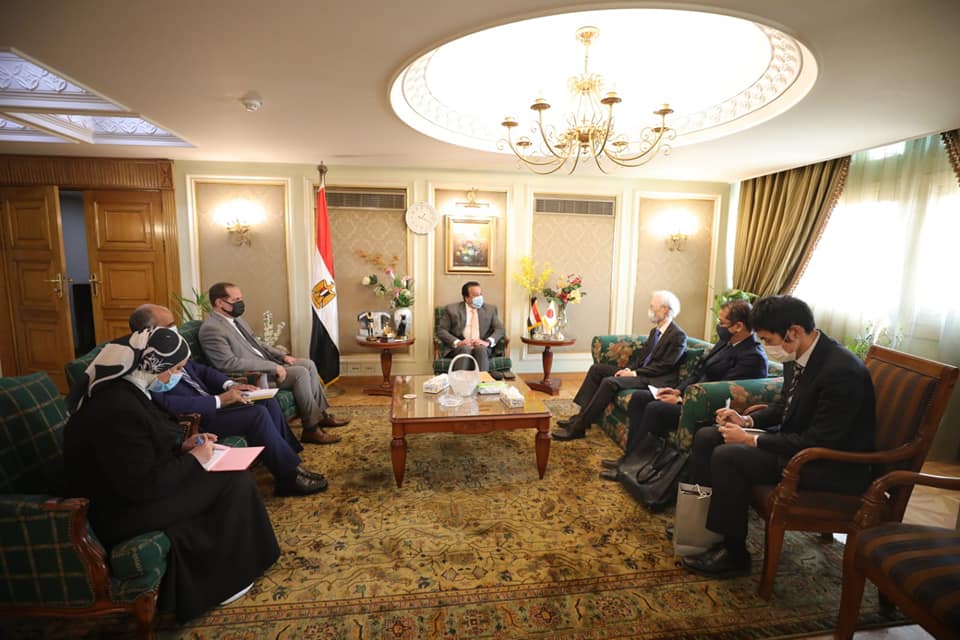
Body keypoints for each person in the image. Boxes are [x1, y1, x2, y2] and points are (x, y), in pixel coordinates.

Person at [63, 327, 280, 623]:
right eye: (176, 369)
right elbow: (140, 485)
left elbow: (143, 451)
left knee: (232, 473)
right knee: (234, 480)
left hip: (137, 494)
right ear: (154, 364)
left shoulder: (129, 391)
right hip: (121, 512)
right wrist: (193, 460)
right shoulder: (117, 408)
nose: (177, 375)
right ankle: (224, 582)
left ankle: (236, 566)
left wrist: (183, 447)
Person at [680, 295, 876, 578]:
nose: (766, 347)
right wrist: (746, 421)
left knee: (728, 455)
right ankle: (699, 526)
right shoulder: (797, 354)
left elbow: (818, 441)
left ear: (793, 332)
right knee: (708, 436)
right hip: (800, 444)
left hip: (830, 465)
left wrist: (750, 439)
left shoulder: (841, 371)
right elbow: (786, 405)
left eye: (767, 340)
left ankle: (734, 555)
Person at [130, 304, 328, 496]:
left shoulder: (171, 349)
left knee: (265, 399)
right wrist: (219, 400)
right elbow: (167, 404)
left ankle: (291, 464)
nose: (176, 328)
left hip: (212, 401)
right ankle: (288, 478)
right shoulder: (146, 363)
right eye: (170, 325)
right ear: (149, 331)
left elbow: (202, 371)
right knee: (256, 415)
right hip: (196, 418)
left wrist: (229, 385)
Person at [599, 300, 768, 480]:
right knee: (640, 398)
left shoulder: (752, 357)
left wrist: (681, 401)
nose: (718, 326)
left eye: (722, 322)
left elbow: (724, 391)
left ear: (738, 326)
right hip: (691, 396)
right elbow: (698, 372)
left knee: (656, 408)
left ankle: (634, 470)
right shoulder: (725, 343)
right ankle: (629, 459)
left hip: (707, 408)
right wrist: (677, 391)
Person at [199, 282, 348, 445]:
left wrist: (282, 357)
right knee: (300, 373)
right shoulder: (211, 329)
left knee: (308, 364)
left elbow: (258, 344)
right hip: (254, 376)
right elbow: (228, 363)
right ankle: (311, 429)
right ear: (220, 303)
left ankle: (321, 415)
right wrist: (272, 367)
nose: (241, 303)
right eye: (236, 300)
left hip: (266, 364)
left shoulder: (237, 319)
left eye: (241, 299)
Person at [553, 290, 688, 441]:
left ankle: (579, 427)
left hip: (654, 380)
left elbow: (665, 366)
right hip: (640, 373)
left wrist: (634, 374)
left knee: (609, 382)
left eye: (653, 307)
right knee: (597, 369)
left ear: (665, 309)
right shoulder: (655, 332)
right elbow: (642, 357)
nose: (650, 311)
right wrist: (629, 369)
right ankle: (580, 416)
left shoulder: (678, 335)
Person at [436, 281, 506, 378]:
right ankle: (459, 382)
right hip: (461, 347)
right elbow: (441, 330)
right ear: (466, 298)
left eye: (481, 294)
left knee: (481, 349)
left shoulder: (489, 309)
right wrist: (458, 342)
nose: (480, 297)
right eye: (476, 295)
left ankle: (482, 381)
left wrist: (488, 342)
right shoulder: (452, 309)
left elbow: (500, 329)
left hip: (482, 347)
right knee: (465, 348)